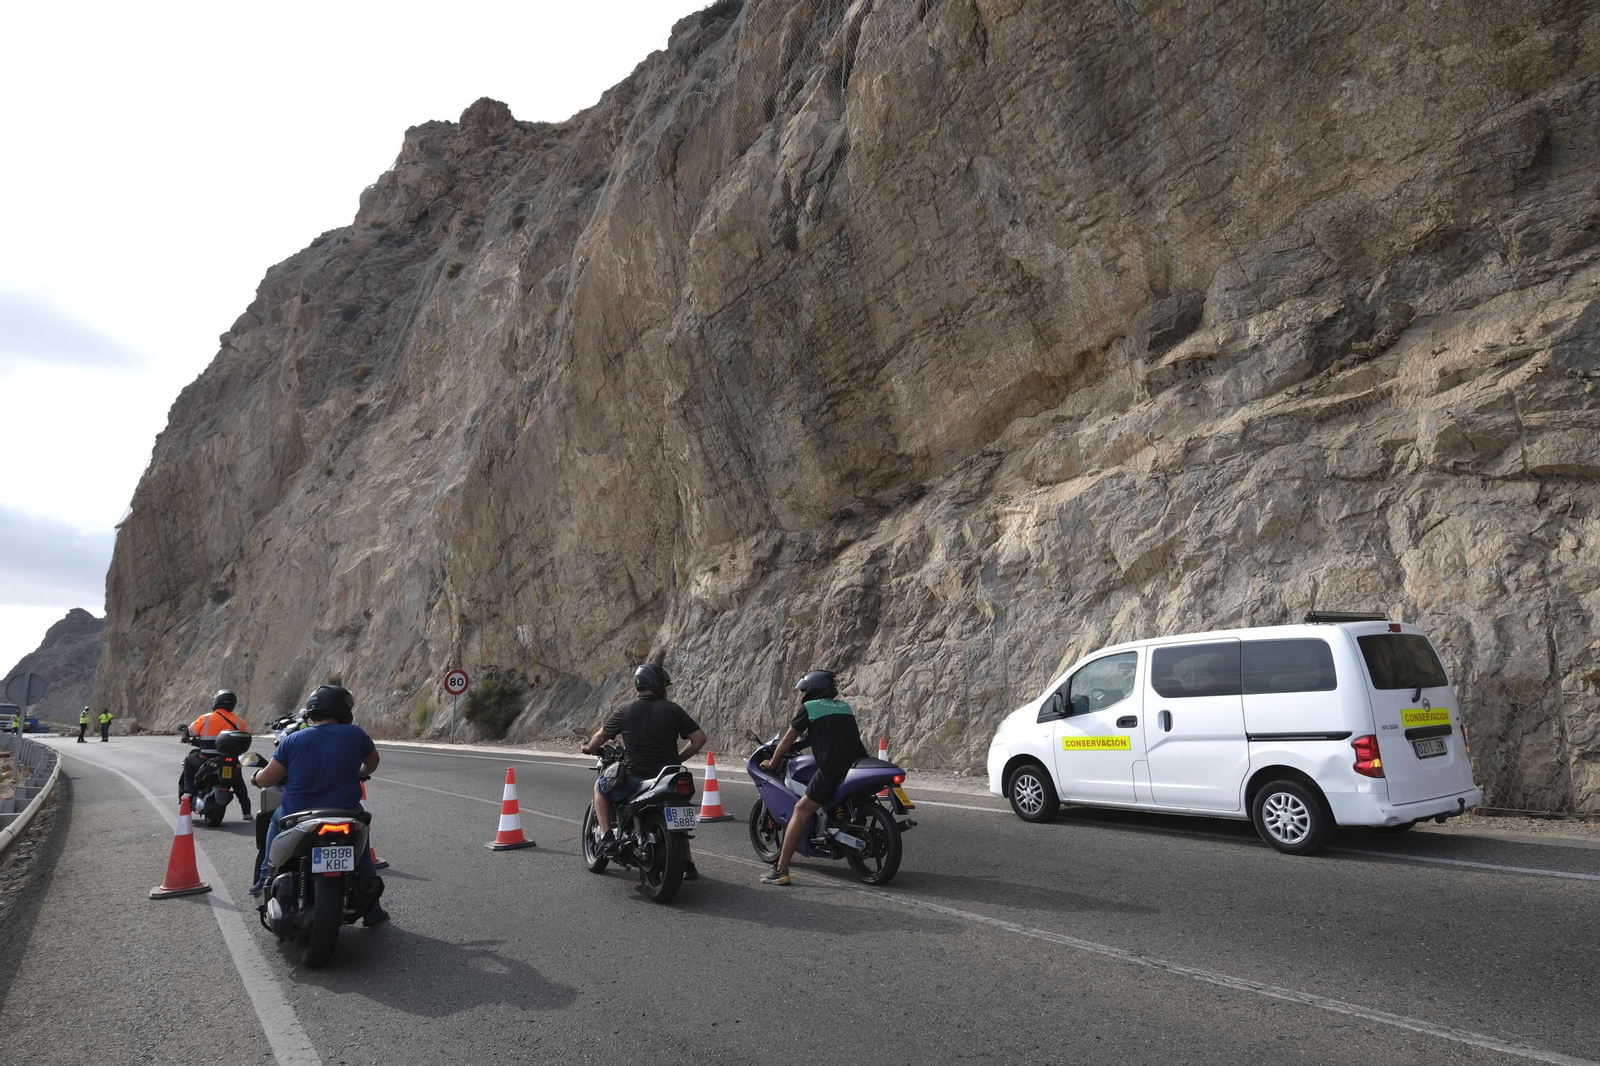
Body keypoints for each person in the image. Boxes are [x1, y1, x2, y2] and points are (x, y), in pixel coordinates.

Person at [247, 684, 386, 926]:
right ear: (342, 709)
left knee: (274, 821)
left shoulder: (292, 740)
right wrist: (361, 772)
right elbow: (372, 762)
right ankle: (373, 910)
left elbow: (268, 778)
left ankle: (265, 878)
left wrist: (256, 778)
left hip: (298, 813)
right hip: (347, 811)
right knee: (362, 849)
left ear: (312, 711)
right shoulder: (355, 734)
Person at [581, 663, 707, 880]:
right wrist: (677, 760)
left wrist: (588, 747)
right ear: (658, 685)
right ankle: (687, 863)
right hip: (668, 776)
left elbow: (600, 736)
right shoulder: (674, 710)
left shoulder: (624, 709)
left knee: (600, 787)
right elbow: (699, 739)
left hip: (636, 778)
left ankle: (607, 837)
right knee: (675, 809)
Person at [758, 670, 869, 886]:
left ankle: (781, 870)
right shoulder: (843, 706)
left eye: (804, 690)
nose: (803, 695)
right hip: (857, 765)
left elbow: (788, 739)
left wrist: (772, 762)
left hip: (832, 768)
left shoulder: (809, 708)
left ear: (813, 689)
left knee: (801, 810)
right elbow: (827, 733)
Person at [181, 690, 252, 821]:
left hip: (206, 759)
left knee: (188, 761)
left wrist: (187, 736)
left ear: (216, 702)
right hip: (230, 760)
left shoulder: (205, 718)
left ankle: (188, 792)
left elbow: (190, 732)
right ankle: (246, 812)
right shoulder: (239, 721)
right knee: (238, 780)